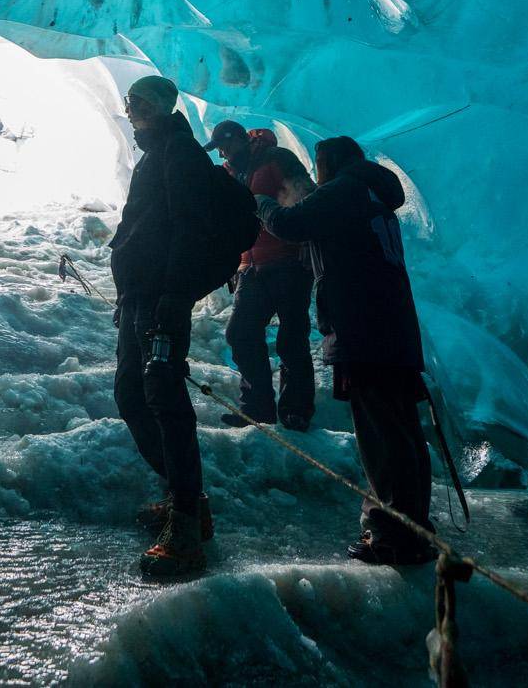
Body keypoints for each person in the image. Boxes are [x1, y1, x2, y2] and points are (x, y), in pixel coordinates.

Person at [256, 135, 434, 565]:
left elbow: (291, 225)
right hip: (392, 330)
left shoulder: (345, 189)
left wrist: (260, 204)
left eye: (318, 166)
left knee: (381, 435)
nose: (315, 175)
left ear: (330, 164)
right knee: (402, 430)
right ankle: (413, 527)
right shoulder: (373, 196)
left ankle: (394, 535)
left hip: (363, 329)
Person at [110, 73, 220, 580]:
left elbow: (191, 232)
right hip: (141, 298)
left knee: (163, 397)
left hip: (160, 301)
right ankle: (186, 499)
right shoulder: (157, 154)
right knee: (133, 394)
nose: (128, 110)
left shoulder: (179, 154)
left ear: (153, 106)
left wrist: (173, 299)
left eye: (133, 102)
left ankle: (185, 521)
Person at [221, 129, 317, 431]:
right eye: (219, 148)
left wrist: (306, 244)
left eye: (226, 144)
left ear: (241, 139)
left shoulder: (276, 159)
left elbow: (306, 198)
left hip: (288, 261)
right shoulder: (232, 173)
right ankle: (256, 409)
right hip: (251, 267)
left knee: (292, 338)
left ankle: (296, 411)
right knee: (240, 333)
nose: (223, 152)